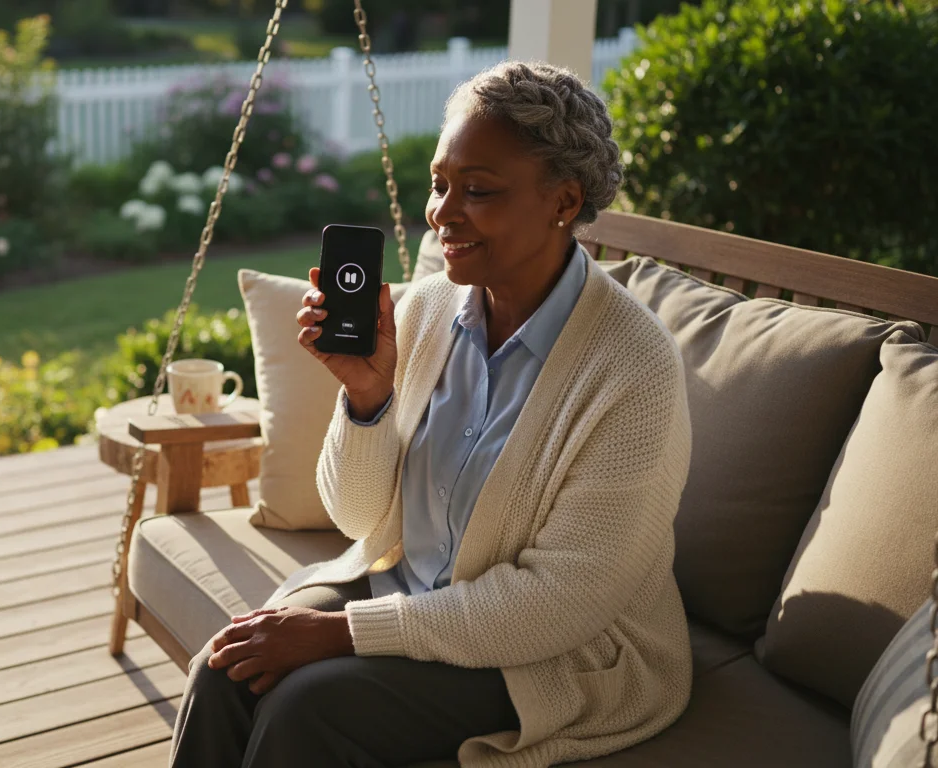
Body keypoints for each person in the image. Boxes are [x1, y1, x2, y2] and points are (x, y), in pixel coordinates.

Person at [169, 60, 693, 768]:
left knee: (305, 708)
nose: (443, 213)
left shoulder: (633, 369)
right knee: (223, 667)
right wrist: (366, 401)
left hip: (561, 651)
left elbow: (559, 603)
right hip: (409, 589)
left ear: (563, 202)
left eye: (478, 191)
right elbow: (359, 520)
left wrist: (340, 633)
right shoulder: (422, 310)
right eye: (440, 184)